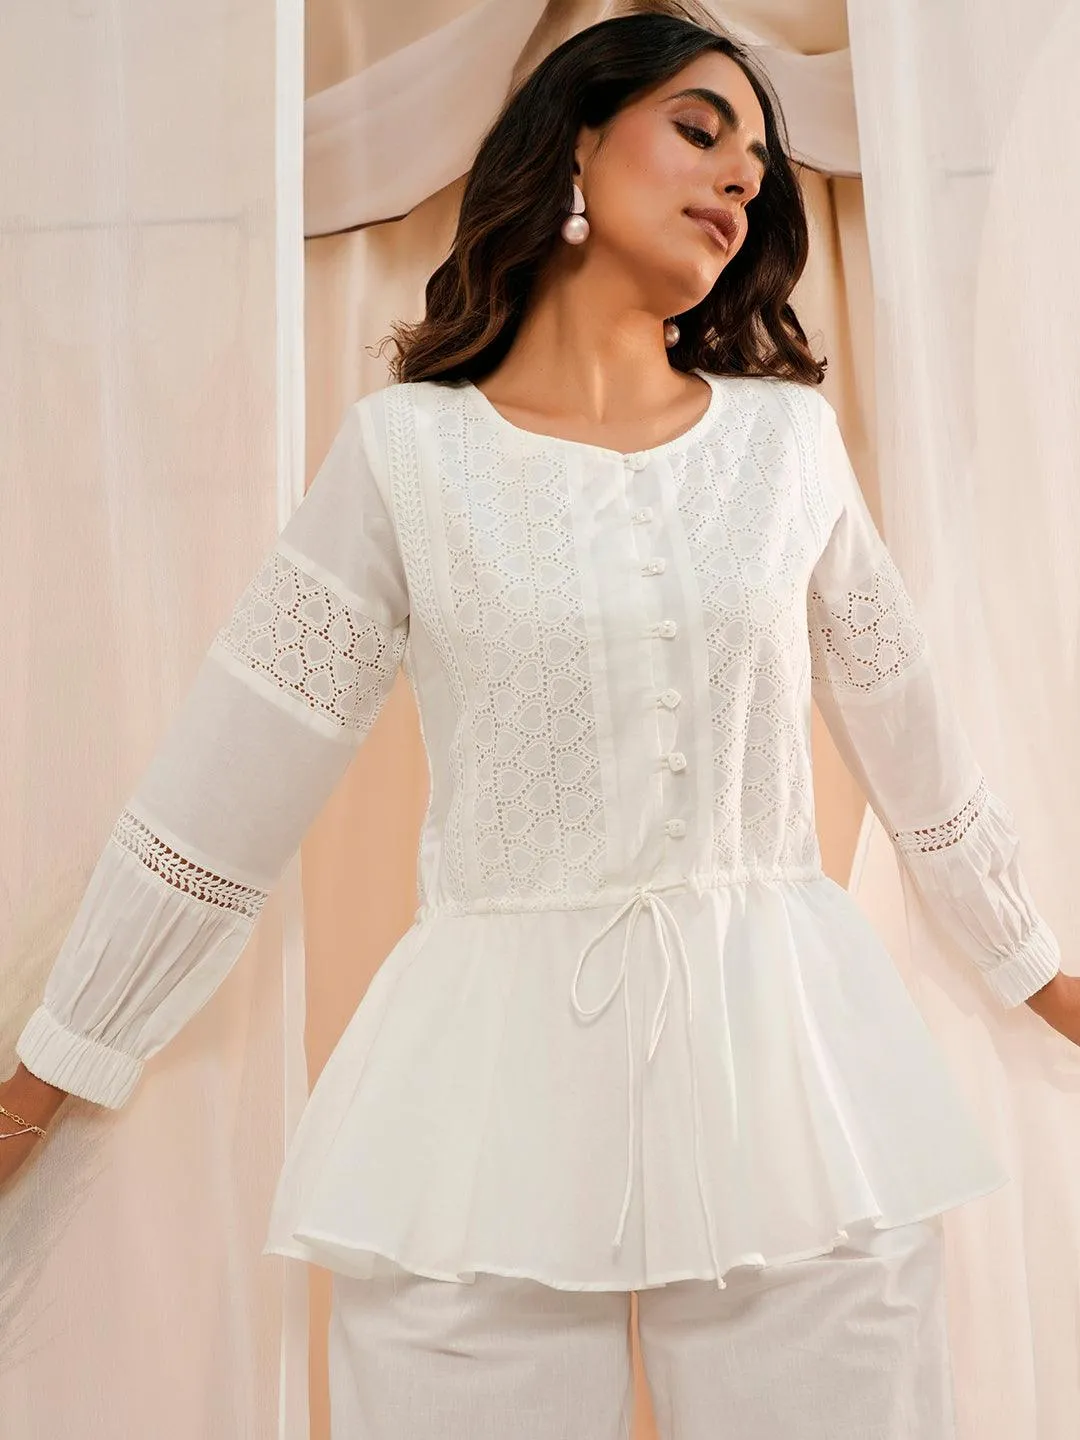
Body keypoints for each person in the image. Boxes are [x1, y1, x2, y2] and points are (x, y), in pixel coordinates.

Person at [3, 7, 1077, 1437]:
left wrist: (1044, 977)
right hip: (480, 1109)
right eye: (700, 129)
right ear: (574, 144)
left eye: (759, 164)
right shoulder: (408, 455)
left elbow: (922, 755)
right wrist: (44, 1080)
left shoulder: (785, 448)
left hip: (795, 1093)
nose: (740, 175)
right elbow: (224, 790)